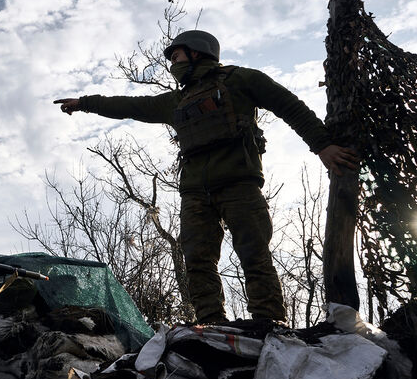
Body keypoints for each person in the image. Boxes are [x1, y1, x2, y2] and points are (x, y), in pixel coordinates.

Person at [54, 30, 358, 324]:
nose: (174, 63)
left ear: (197, 52)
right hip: (195, 194)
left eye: (177, 55)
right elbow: (128, 105)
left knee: (254, 254)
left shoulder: (241, 79)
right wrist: (85, 103)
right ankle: (211, 324)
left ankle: (269, 321)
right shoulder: (175, 102)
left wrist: (322, 145)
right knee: (198, 261)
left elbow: (289, 106)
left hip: (240, 185)